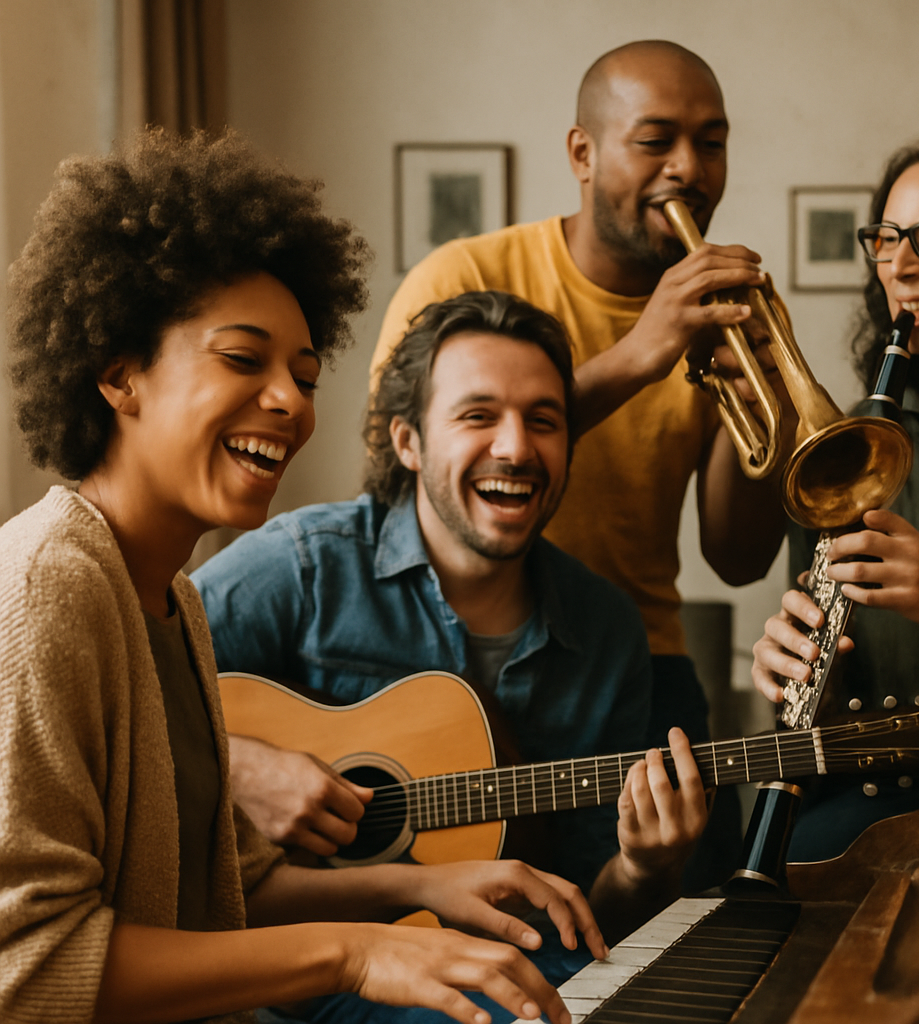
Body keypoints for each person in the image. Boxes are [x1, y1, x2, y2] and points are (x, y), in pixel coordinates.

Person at [0, 130, 605, 1024]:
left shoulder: (171, 604)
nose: (290, 400)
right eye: (244, 359)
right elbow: (28, 967)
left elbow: (232, 893)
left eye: (305, 374)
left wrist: (432, 888)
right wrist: (360, 954)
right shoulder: (51, 584)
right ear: (119, 373)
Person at [193, 290, 710, 1020]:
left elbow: (598, 912)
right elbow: (122, 690)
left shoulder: (604, 629)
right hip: (310, 960)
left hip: (516, 955)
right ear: (407, 442)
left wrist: (643, 865)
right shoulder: (306, 567)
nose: (515, 448)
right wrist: (243, 766)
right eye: (478, 416)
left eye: (544, 421)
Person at [371, 40, 796, 873]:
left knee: (702, 918)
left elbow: (739, 560)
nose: (689, 168)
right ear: (582, 152)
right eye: (656, 140)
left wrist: (764, 406)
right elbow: (391, 481)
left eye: (711, 142)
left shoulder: (722, 310)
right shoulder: (468, 275)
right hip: (457, 659)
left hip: (640, 659)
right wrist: (646, 351)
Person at [751, 133, 919, 862]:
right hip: (873, 822)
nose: (899, 266)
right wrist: (796, 675)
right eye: (887, 239)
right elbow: (823, 715)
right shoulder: (848, 453)